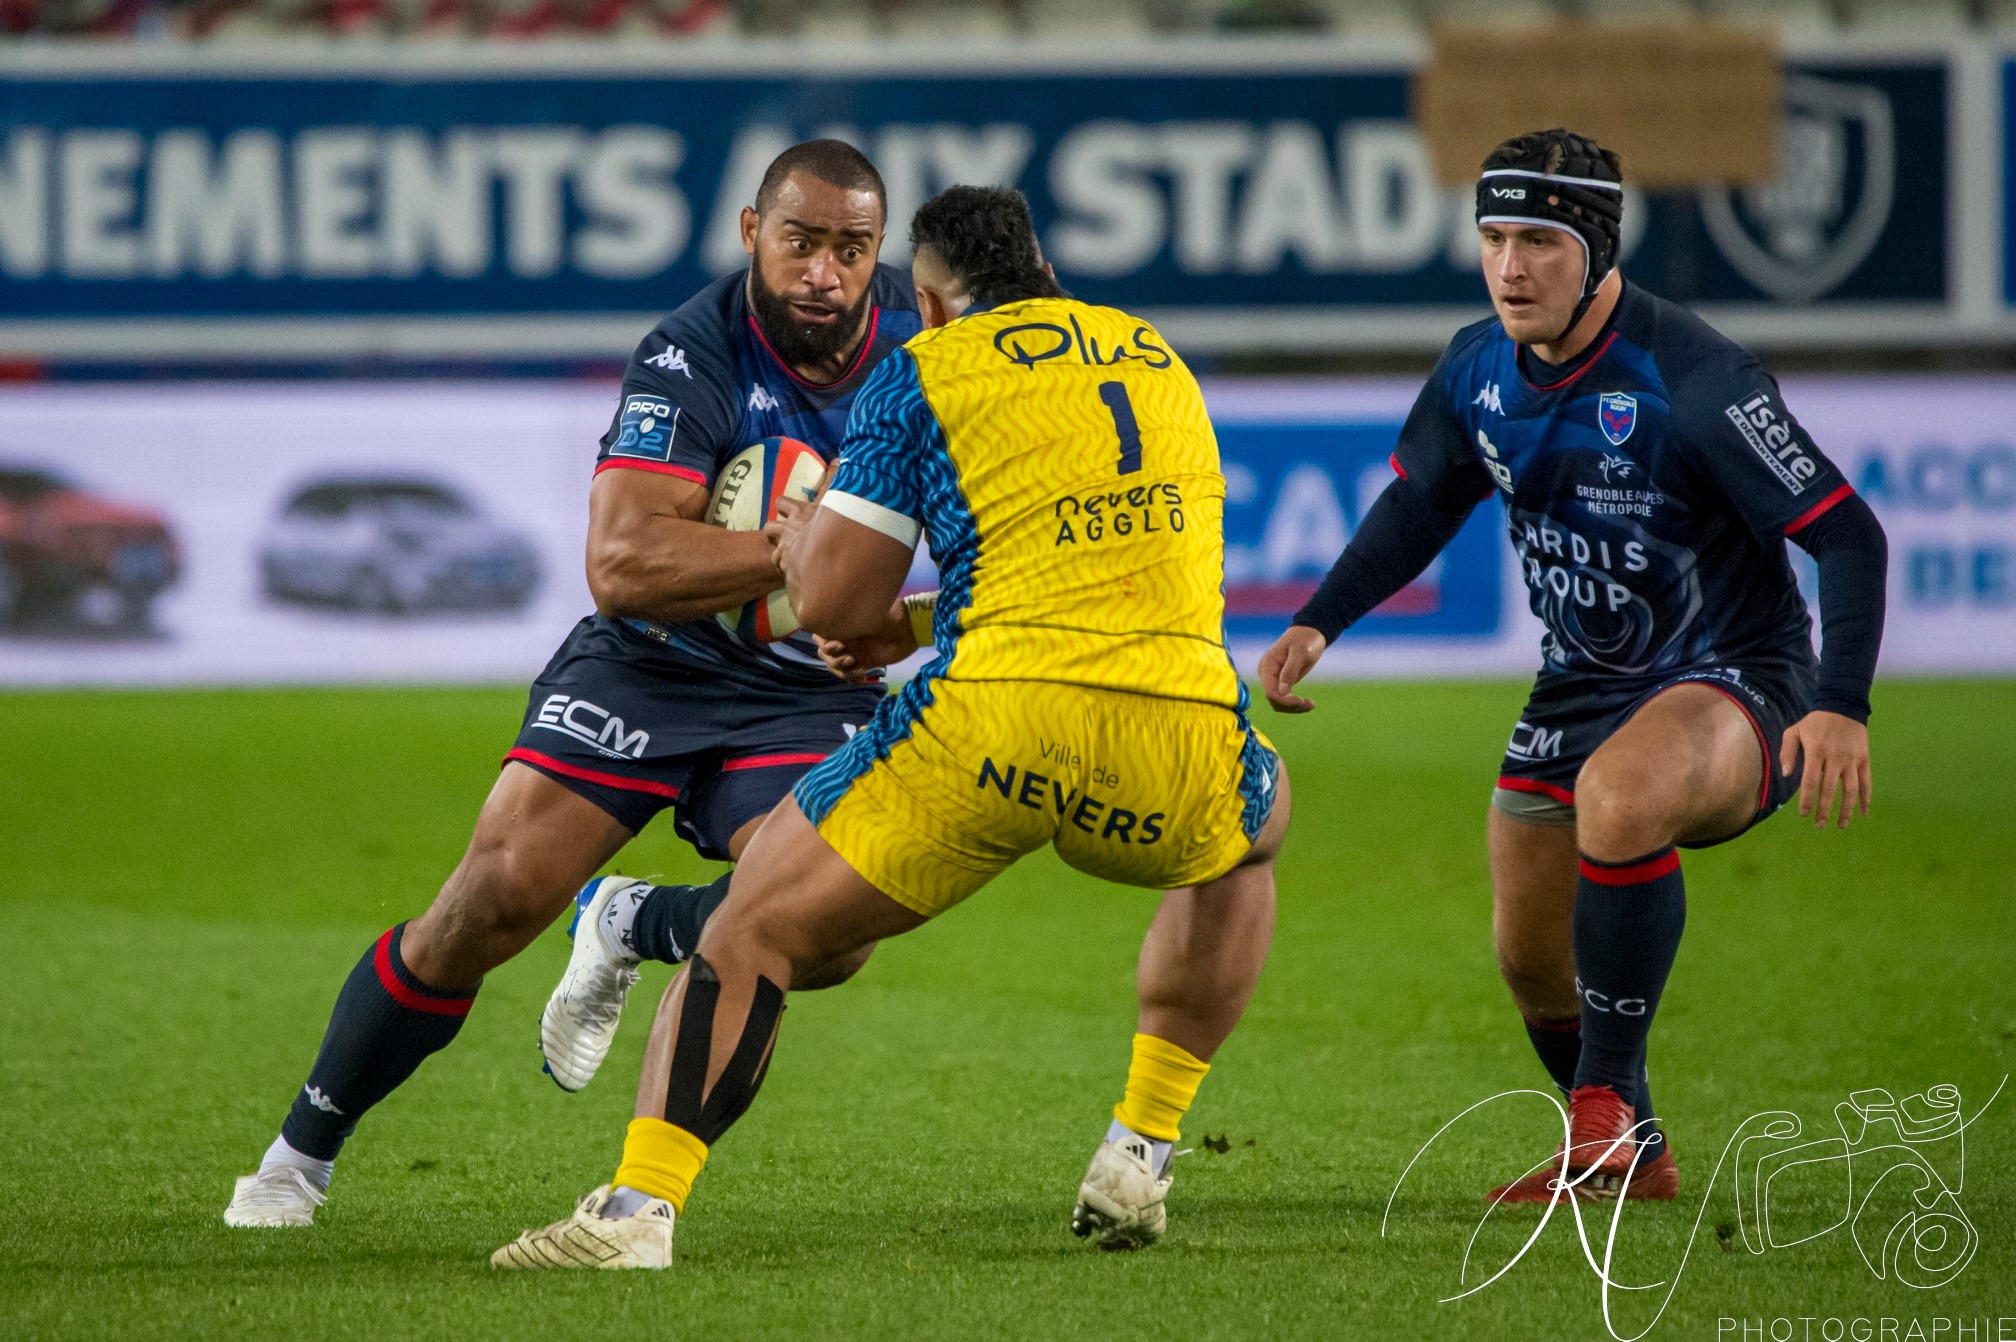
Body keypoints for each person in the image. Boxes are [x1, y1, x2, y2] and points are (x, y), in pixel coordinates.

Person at [489, 185, 1290, 1270]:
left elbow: (830, 606)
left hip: (995, 726)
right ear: (1043, 266)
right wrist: (917, 618)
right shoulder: (1152, 354)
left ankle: (635, 1213)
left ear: (928, 295)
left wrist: (825, 558)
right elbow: (1100, 568)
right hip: (1181, 727)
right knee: (1258, 830)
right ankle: (1139, 1143)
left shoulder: (922, 370)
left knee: (756, 925)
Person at [223, 140, 923, 1229]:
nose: (822, 272)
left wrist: (885, 612)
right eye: (799, 242)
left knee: (833, 929)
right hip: (655, 661)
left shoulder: (928, 352)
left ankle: (632, 921)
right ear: (752, 233)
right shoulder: (692, 352)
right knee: (489, 899)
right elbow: (623, 564)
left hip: (802, 687)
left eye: (851, 248)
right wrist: (809, 558)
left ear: (881, 252)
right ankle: (296, 1157)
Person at [1260, 129, 1886, 1203]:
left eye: (1540, 241)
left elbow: (1847, 533)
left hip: (1740, 675)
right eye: (1494, 237)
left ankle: (1599, 1118)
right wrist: (1322, 620)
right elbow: (1422, 501)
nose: (1511, 266)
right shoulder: (1476, 367)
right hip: (1582, 683)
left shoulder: (1694, 378)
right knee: (1530, 955)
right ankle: (1630, 1143)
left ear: (1598, 249)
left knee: (1621, 796)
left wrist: (1841, 704)